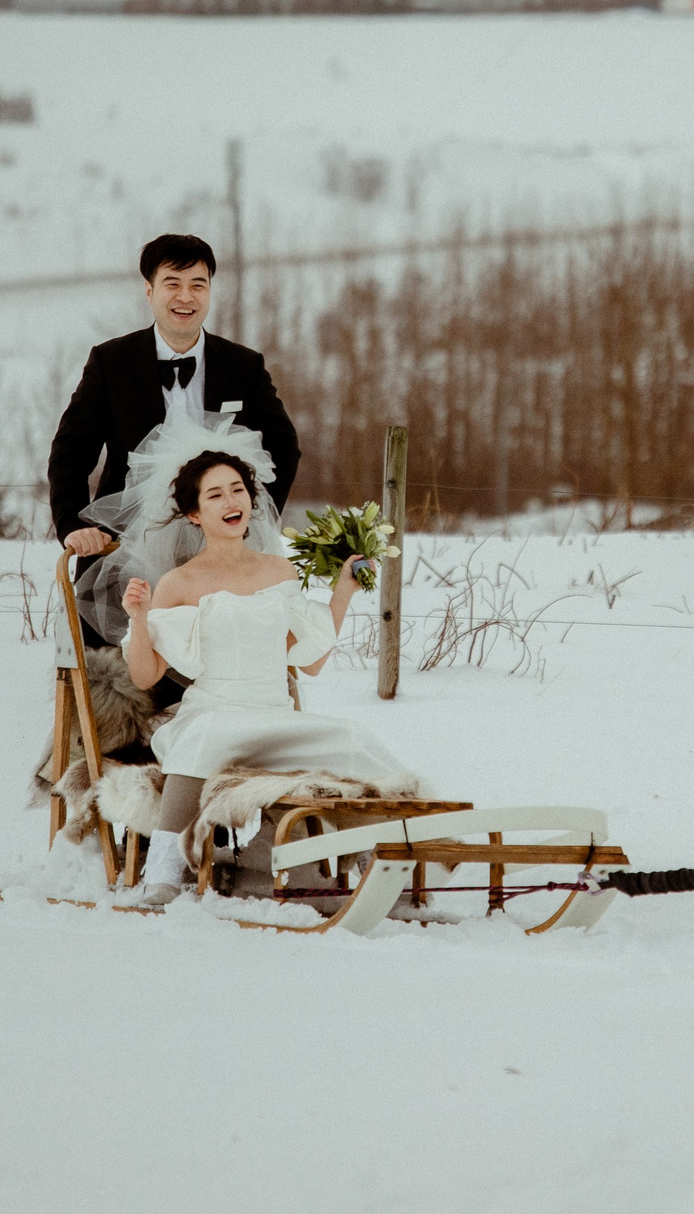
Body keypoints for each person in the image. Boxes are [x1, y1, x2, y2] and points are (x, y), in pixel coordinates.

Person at [101, 433, 420, 896]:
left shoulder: (279, 571)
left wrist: (343, 592)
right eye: (215, 494)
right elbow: (145, 675)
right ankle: (165, 876)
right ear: (194, 514)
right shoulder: (179, 582)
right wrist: (140, 617)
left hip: (274, 716)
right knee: (206, 737)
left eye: (237, 489)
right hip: (215, 714)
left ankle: (392, 854)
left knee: (355, 739)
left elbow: (309, 663)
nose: (231, 501)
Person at [47, 233, 302, 647]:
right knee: (120, 673)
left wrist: (246, 516)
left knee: (229, 655)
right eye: (173, 283)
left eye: (198, 285)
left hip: (222, 553)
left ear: (210, 292)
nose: (186, 297)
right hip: (127, 549)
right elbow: (70, 452)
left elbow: (284, 448)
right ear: (149, 290)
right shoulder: (111, 362)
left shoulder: (243, 366)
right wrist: (74, 525)